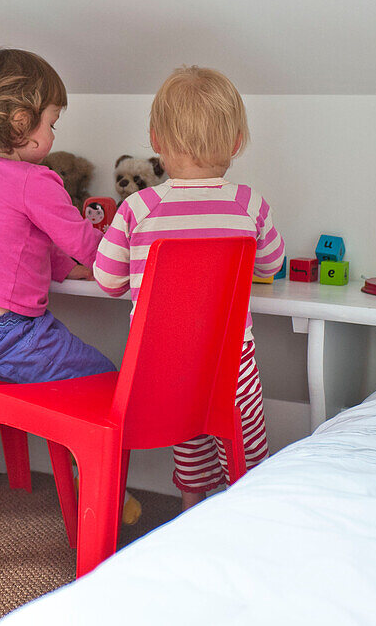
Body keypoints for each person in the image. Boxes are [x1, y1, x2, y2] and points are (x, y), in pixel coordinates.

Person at [0, 47, 142, 525]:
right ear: (19, 123)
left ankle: (76, 465)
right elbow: (83, 243)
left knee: (73, 374)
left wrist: (64, 269)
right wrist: (128, 256)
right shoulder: (38, 180)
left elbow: (22, 240)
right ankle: (99, 488)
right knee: (106, 379)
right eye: (51, 122)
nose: (53, 134)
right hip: (11, 335)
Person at [93, 66, 285, 512]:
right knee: (245, 450)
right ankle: (245, 510)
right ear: (237, 143)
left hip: (162, 363)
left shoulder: (138, 207)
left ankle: (191, 507)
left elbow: (107, 281)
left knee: (188, 434)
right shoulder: (248, 203)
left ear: (156, 142)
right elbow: (271, 264)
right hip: (229, 362)